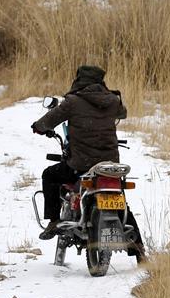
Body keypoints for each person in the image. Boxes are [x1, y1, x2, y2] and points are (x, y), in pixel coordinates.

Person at [31, 65, 145, 259]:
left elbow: (48, 121)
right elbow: (122, 113)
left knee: (50, 175)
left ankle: (53, 220)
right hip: (109, 165)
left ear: (79, 80)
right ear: (101, 81)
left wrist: (38, 127)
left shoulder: (73, 102)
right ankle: (140, 253)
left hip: (81, 163)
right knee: (122, 204)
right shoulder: (112, 101)